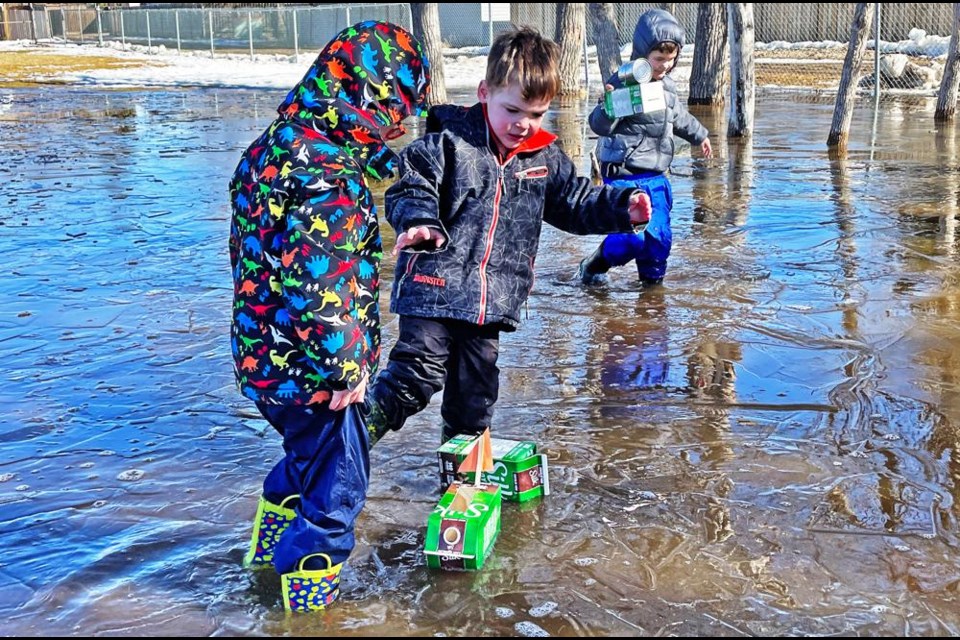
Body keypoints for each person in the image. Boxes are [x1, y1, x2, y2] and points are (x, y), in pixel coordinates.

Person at [361, 27, 651, 447]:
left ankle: (462, 482)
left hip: (488, 303)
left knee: (475, 399)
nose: (523, 125)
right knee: (418, 372)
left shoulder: (543, 157)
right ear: (484, 92)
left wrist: (621, 208)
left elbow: (575, 202)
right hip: (433, 286)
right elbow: (412, 185)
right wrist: (420, 221)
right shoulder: (448, 143)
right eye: (513, 110)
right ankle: (348, 440)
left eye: (536, 115)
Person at [227, 20, 429, 612]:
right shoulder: (331, 183)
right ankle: (307, 606)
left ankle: (266, 549)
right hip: (319, 374)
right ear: (366, 97)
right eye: (394, 109)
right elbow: (322, 285)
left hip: (264, 361)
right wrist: (346, 370)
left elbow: (255, 259)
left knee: (305, 456)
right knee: (338, 491)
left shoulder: (269, 150)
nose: (399, 125)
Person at [578, 9, 713, 287]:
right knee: (631, 238)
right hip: (624, 174)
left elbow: (678, 117)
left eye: (670, 59)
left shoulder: (667, 87)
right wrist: (608, 106)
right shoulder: (623, 83)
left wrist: (700, 135)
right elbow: (600, 125)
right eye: (658, 59)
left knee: (658, 239)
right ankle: (593, 265)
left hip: (657, 176)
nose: (664, 65)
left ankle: (651, 297)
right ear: (642, 55)